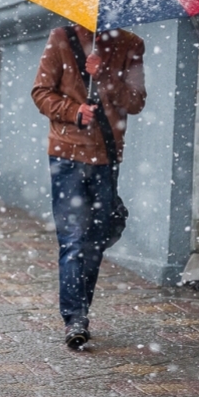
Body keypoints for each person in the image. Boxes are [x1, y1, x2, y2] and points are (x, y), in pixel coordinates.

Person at [31, 24, 147, 349]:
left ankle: (80, 310)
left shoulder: (131, 44)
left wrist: (107, 75)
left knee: (96, 240)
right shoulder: (60, 38)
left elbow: (136, 101)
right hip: (66, 155)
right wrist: (74, 111)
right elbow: (41, 92)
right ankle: (75, 319)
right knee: (73, 239)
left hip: (106, 157)